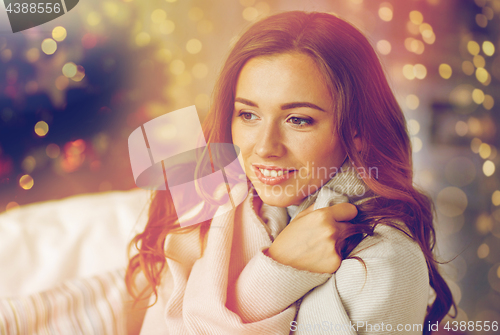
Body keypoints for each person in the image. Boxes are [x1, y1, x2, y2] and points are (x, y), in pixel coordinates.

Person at [125, 11, 455, 335]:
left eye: (298, 119)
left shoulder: (384, 263)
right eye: (248, 115)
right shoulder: (207, 193)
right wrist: (281, 265)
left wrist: (274, 276)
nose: (265, 147)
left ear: (355, 128)